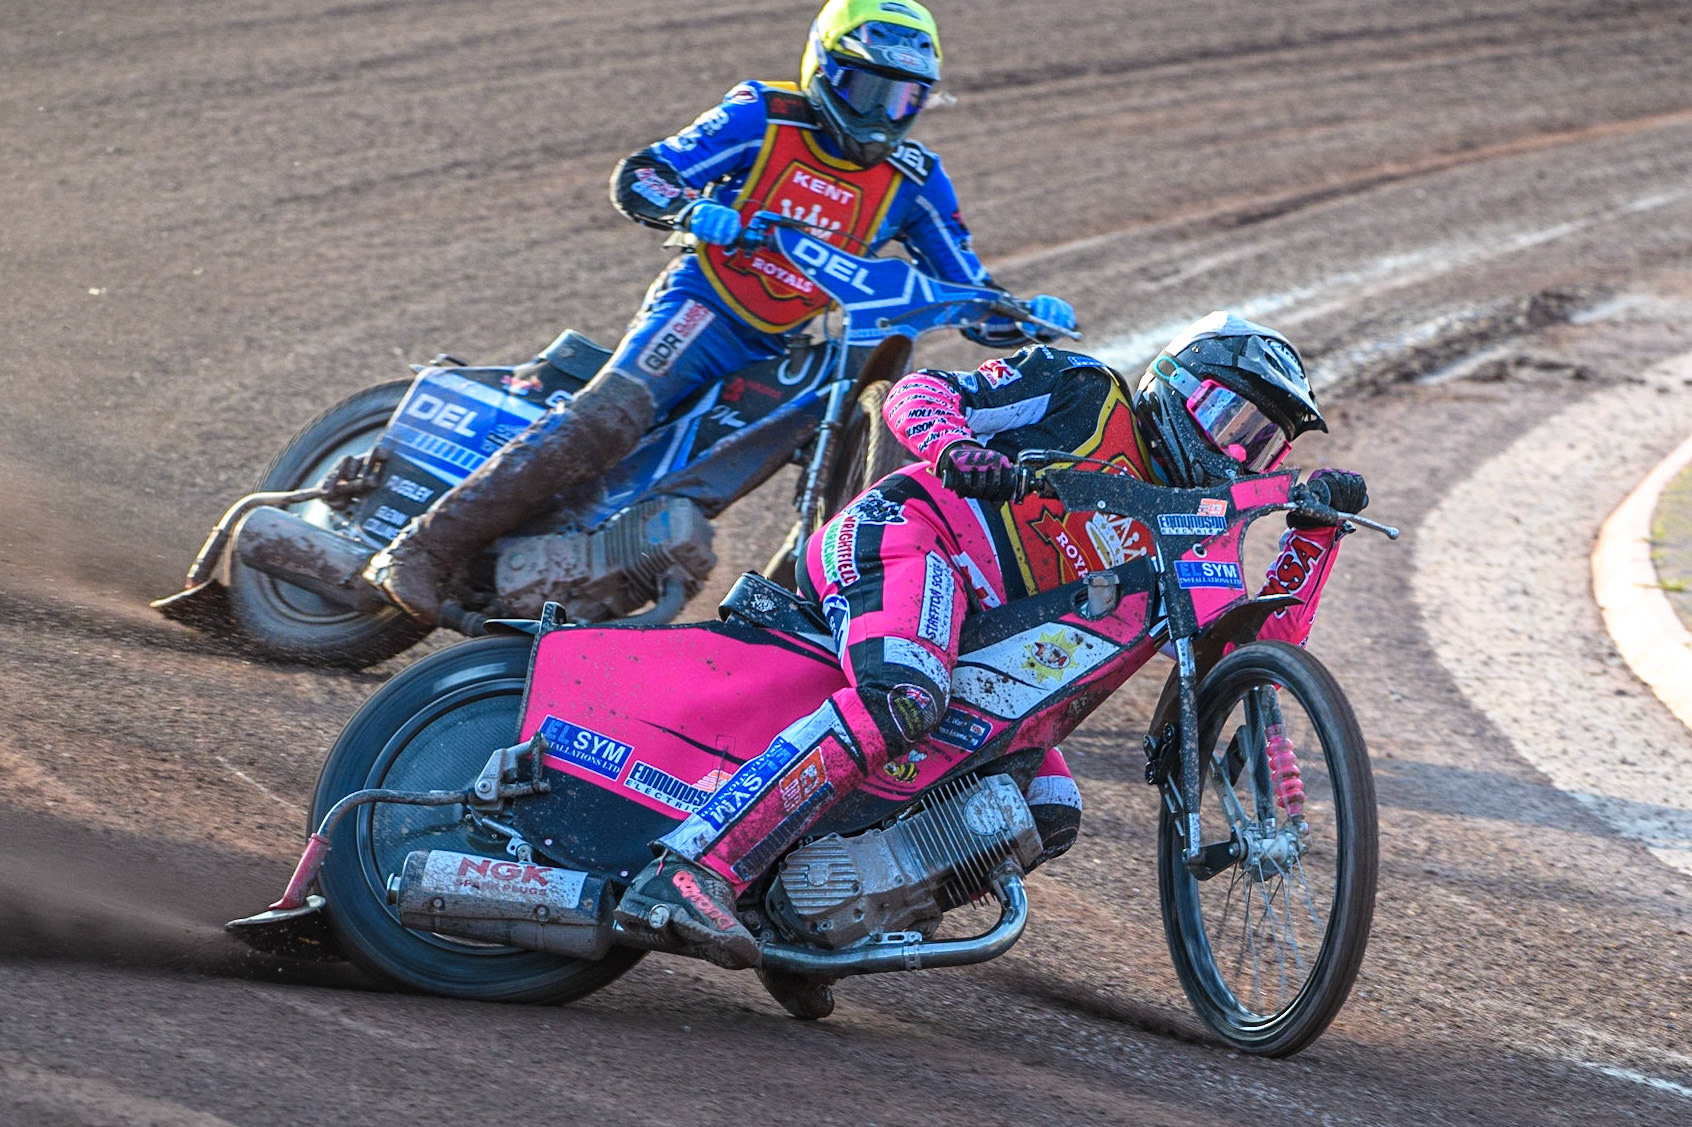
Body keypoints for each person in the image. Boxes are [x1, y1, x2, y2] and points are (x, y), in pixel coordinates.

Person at [613, 312, 1369, 978]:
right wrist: (953, 449)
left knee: (1047, 808)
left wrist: (1314, 535)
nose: (1236, 453)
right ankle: (690, 867)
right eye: (1228, 418)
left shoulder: (1195, 534)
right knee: (905, 697)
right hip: (906, 539)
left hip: (985, 647)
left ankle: (807, 926)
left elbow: (1257, 654)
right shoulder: (1082, 389)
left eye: (1261, 444)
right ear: (1174, 384)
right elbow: (921, 394)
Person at [363, 0, 1075, 622]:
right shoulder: (764, 115)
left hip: (780, 344)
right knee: (606, 420)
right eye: (865, 88)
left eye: (902, 99)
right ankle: (421, 547)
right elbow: (643, 174)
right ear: (824, 70)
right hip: (701, 309)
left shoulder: (914, 181)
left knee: (839, 445)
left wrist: (1024, 316)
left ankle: (783, 616)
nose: (879, 114)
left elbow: (971, 293)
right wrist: (700, 212)